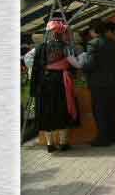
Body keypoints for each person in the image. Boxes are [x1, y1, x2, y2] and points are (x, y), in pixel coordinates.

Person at [30, 16, 79, 153]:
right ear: (62, 33)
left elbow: (34, 67)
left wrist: (33, 89)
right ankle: (63, 143)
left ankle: (50, 144)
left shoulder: (40, 48)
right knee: (63, 111)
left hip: (43, 83)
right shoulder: (66, 47)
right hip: (61, 83)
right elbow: (73, 65)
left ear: (50, 33)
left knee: (47, 113)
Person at [83, 20, 115, 146]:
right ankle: (113, 135)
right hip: (112, 81)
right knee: (110, 109)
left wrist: (81, 64)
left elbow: (90, 64)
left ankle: (103, 138)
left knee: (99, 111)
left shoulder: (93, 44)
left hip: (98, 83)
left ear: (94, 30)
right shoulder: (112, 43)